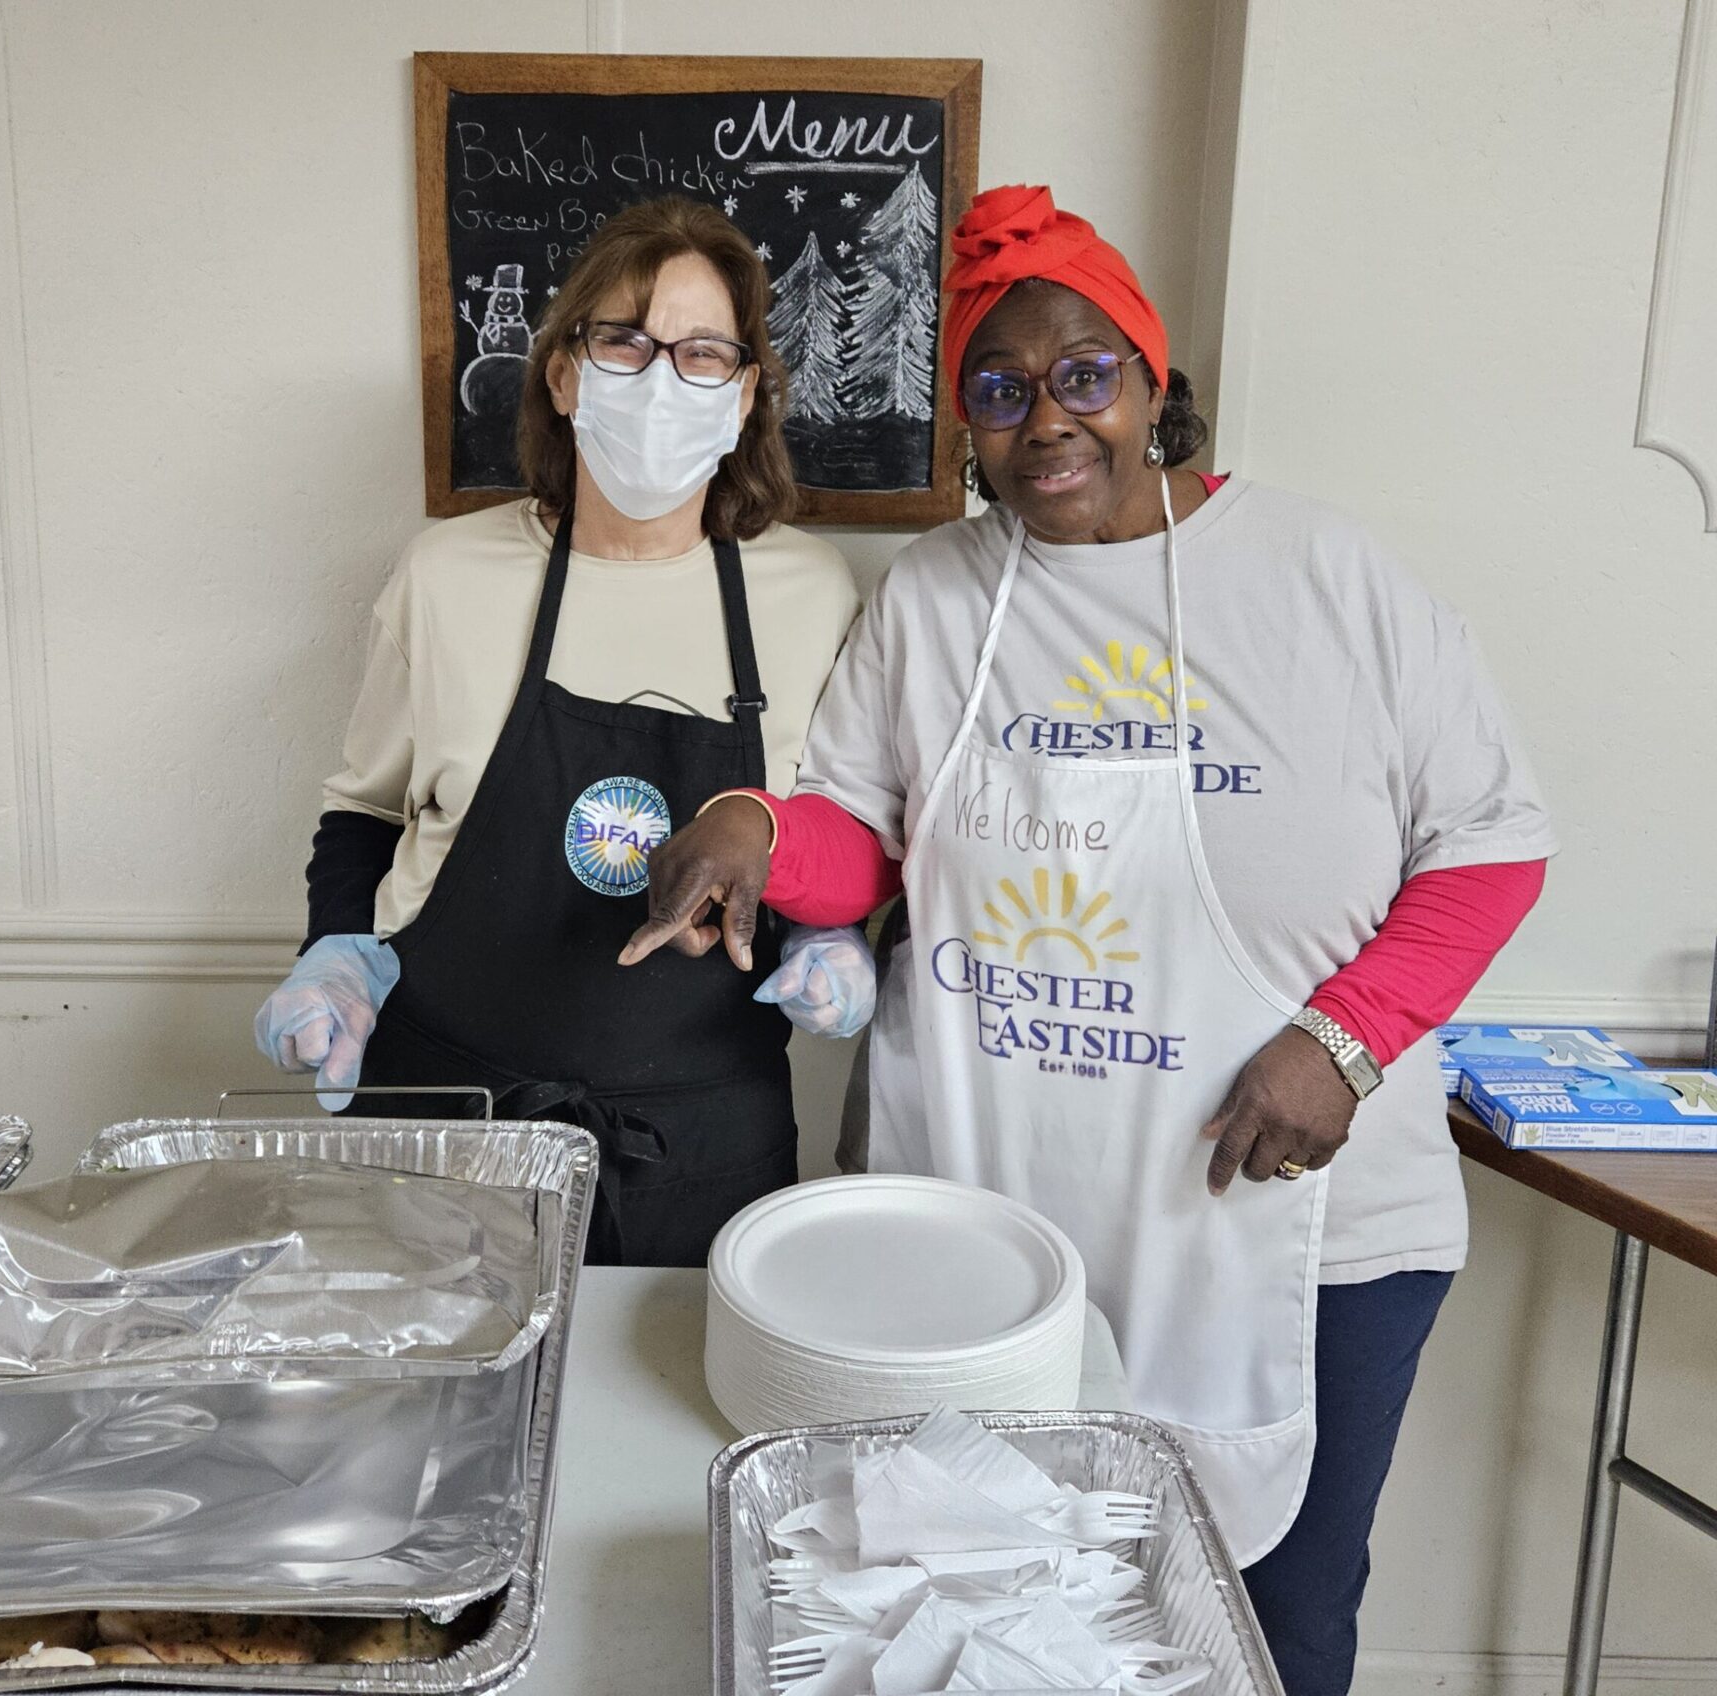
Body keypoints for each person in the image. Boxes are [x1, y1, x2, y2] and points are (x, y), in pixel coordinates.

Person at [623, 184, 1556, 1692]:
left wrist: (1343, 1038)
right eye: (999, 394)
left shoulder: (1329, 578)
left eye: (1083, 374)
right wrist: (755, 829)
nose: (1046, 421)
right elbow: (864, 836)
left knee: (1268, 1626)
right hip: (1003, 1219)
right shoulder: (936, 592)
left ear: (1153, 386)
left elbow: (1492, 849)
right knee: (973, 1607)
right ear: (967, 431)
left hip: (1296, 1222)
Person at [253, 196, 873, 1268]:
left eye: (702, 353)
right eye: (624, 341)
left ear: (744, 397)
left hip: (699, 1139)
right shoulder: (444, 574)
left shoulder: (811, 593)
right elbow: (361, 810)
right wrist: (336, 960)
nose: (659, 376)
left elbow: (830, 827)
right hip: (440, 1122)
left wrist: (829, 940)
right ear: (564, 373)